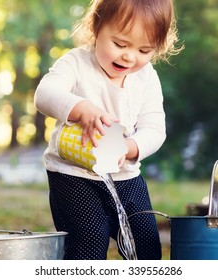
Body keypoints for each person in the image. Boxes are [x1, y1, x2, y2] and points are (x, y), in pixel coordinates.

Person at [34, 0, 181, 260]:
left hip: (126, 176)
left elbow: (155, 128)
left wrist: (131, 147)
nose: (129, 56)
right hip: (73, 175)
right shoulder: (76, 63)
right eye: (120, 44)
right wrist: (82, 108)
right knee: (89, 240)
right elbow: (45, 94)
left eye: (145, 50)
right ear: (96, 27)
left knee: (145, 241)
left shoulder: (146, 77)